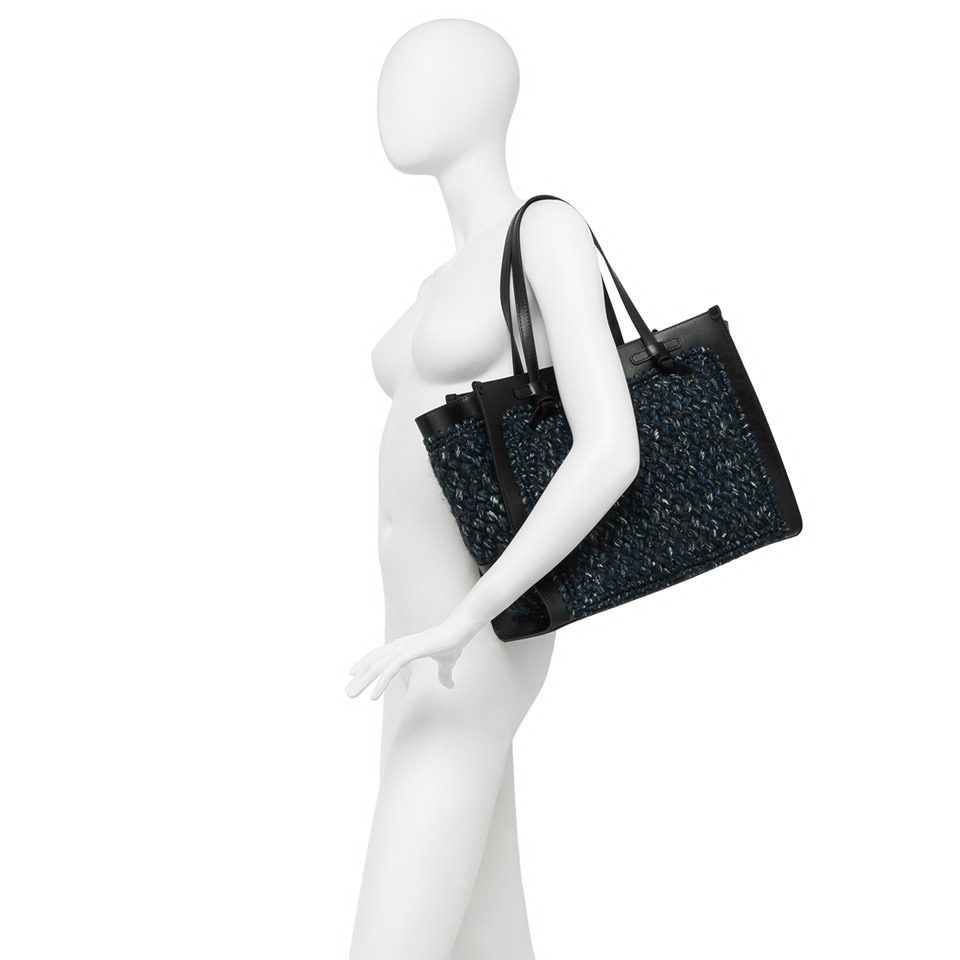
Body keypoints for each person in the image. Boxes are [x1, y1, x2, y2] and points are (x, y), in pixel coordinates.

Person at [344, 19, 641, 960]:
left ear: (488, 96)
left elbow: (611, 450)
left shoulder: (544, 229)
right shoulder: (439, 276)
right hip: (416, 642)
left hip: (472, 637)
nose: (394, 94)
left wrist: (465, 618)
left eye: (424, 73)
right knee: (482, 933)